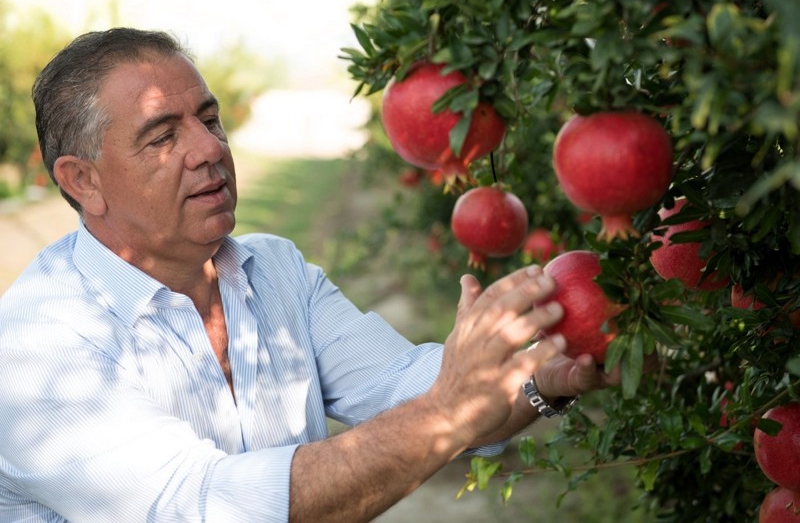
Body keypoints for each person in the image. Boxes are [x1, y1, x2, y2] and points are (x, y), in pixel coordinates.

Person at [0, 28, 621, 522]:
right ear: (83, 181)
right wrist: (446, 411)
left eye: (209, 120)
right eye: (163, 136)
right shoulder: (39, 347)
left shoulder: (274, 271)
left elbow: (405, 384)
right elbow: (198, 507)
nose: (209, 149)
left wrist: (538, 375)